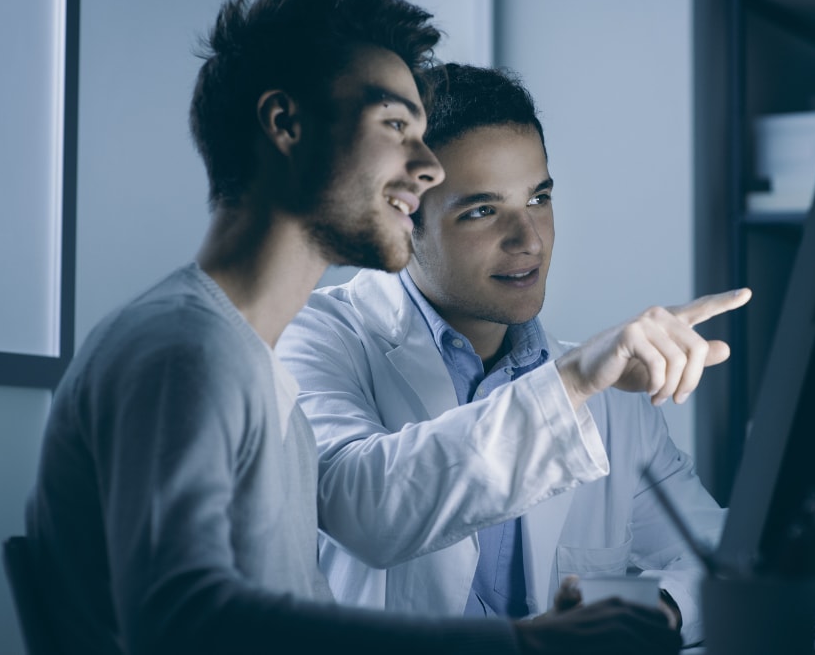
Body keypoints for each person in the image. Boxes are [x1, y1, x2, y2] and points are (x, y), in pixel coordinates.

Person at [23, 0, 746, 654]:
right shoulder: (185, 348)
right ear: (286, 125)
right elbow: (185, 621)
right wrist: (525, 645)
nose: (428, 166)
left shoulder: (241, 352)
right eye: (396, 124)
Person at [276, 63, 727, 645]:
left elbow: (716, 558)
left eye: (538, 198)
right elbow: (365, 509)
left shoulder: (610, 392)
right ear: (400, 223)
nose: (530, 239)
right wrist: (571, 384)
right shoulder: (315, 336)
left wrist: (642, 610)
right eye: (482, 210)